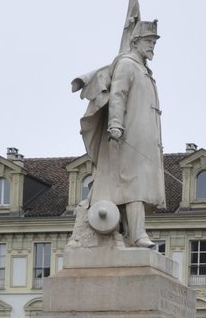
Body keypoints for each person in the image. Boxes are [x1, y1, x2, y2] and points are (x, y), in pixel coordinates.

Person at [70, 15, 164, 248]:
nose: (152, 45)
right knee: (133, 184)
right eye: (148, 40)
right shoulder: (127, 65)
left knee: (138, 183)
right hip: (126, 136)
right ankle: (137, 234)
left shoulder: (144, 71)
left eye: (154, 41)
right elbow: (118, 95)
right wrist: (115, 124)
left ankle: (132, 232)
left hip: (143, 138)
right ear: (135, 42)